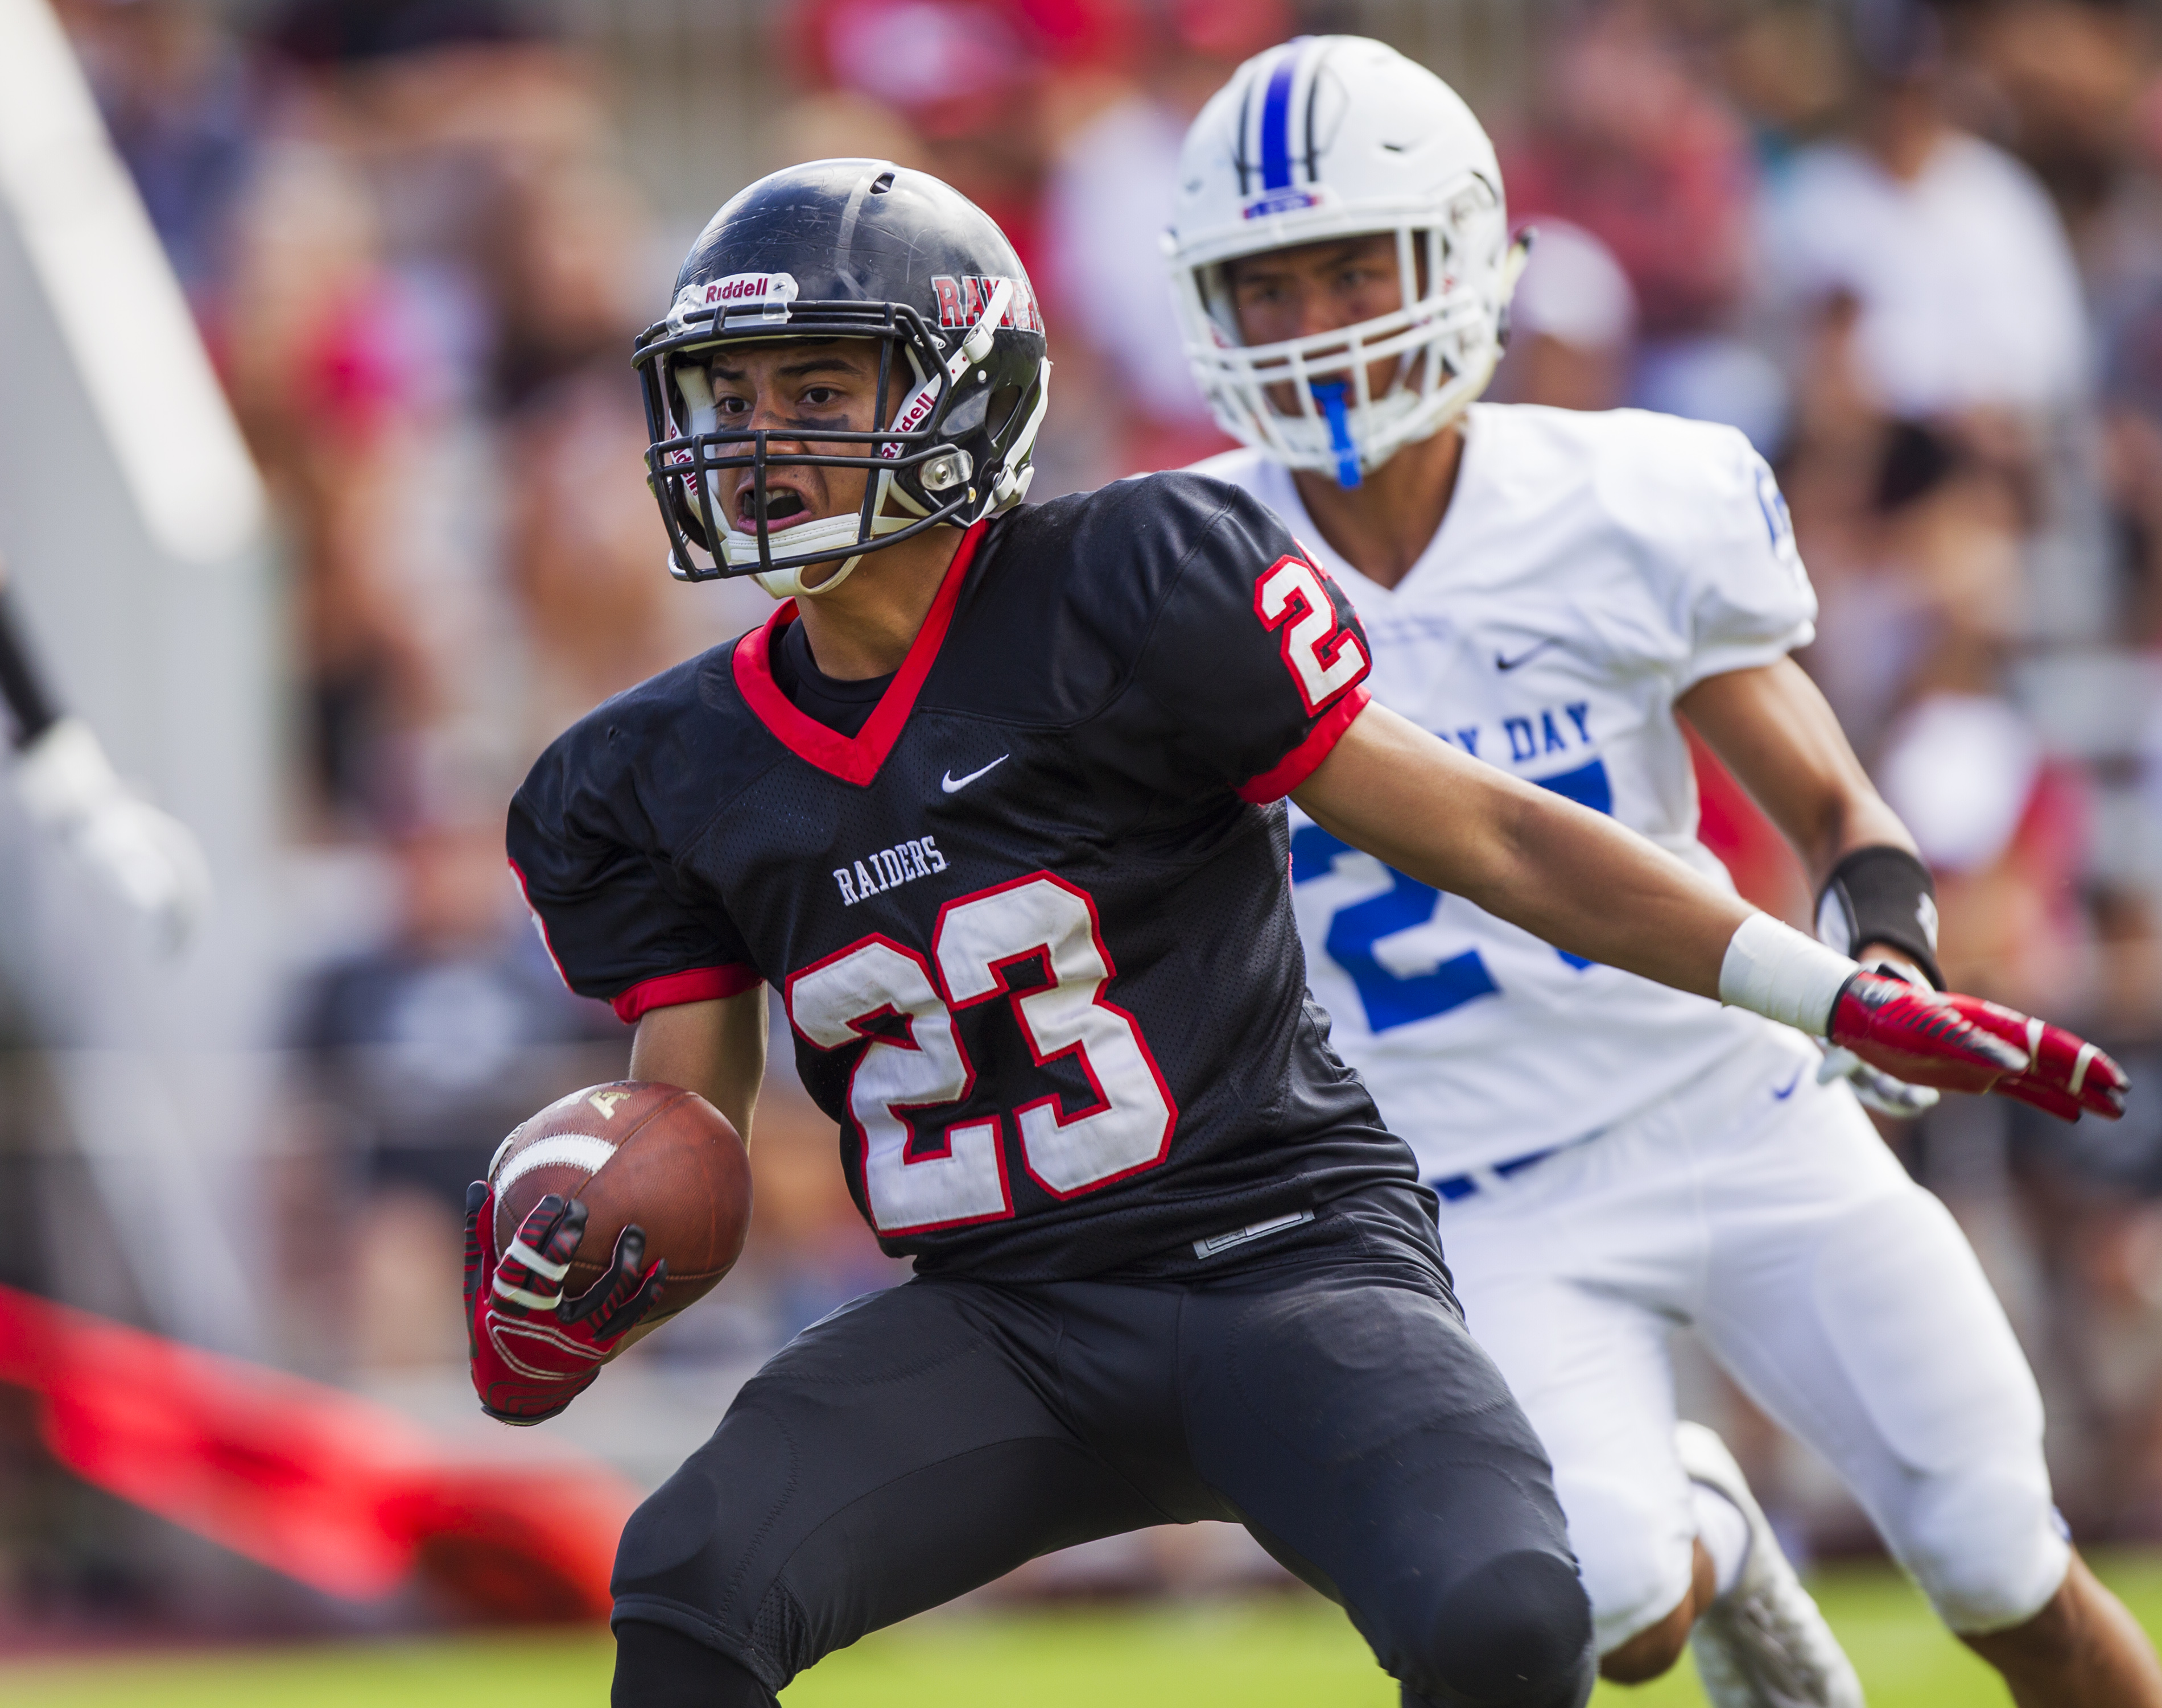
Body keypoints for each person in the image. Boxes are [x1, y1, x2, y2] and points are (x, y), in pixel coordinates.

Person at [464, 158, 2118, 1708]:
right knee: (689, 1577)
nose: (760, 439)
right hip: (998, 1313)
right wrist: (582, 1270)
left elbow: (1496, 828)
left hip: (1292, 1261)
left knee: (1509, 1610)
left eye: (817, 391)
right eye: (732, 395)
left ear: (958, 393)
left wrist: (1825, 985)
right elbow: (688, 1117)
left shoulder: (1133, 580)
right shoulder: (646, 773)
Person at [1165, 34, 2162, 1708]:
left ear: (1467, 257)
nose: (1319, 320)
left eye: (1357, 265)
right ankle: (1711, 1526)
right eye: (1270, 283)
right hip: (1470, 1187)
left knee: (2005, 1564)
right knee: (1602, 1603)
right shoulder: (1175, 563)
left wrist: (1888, 959)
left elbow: (1833, 799)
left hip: (1737, 1115)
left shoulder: (1625, 496)